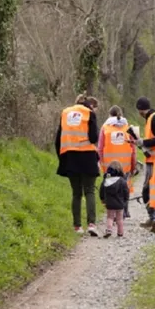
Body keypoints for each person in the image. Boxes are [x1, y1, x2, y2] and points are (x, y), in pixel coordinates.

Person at [55, 92, 100, 236]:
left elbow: (58, 139)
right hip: (87, 156)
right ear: (87, 103)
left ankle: (77, 226)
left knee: (76, 193)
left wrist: (62, 157)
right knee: (90, 190)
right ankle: (92, 224)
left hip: (70, 157)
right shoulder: (89, 113)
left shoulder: (65, 113)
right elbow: (93, 137)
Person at [132, 97, 155, 228]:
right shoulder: (152, 117)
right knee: (154, 191)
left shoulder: (154, 118)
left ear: (140, 110)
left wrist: (144, 142)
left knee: (148, 191)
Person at [98, 105, 136, 218]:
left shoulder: (105, 128)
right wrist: (133, 165)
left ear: (109, 115)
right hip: (125, 165)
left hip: (110, 166)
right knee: (125, 188)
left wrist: (101, 163)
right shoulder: (128, 128)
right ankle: (125, 211)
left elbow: (100, 148)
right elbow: (133, 149)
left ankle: (112, 214)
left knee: (110, 188)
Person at [99, 160, 130, 238]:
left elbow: (101, 190)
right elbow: (126, 191)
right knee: (119, 219)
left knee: (110, 217)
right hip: (120, 203)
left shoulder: (106, 180)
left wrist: (102, 199)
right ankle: (120, 233)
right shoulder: (122, 181)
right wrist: (126, 200)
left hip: (109, 203)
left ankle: (109, 230)